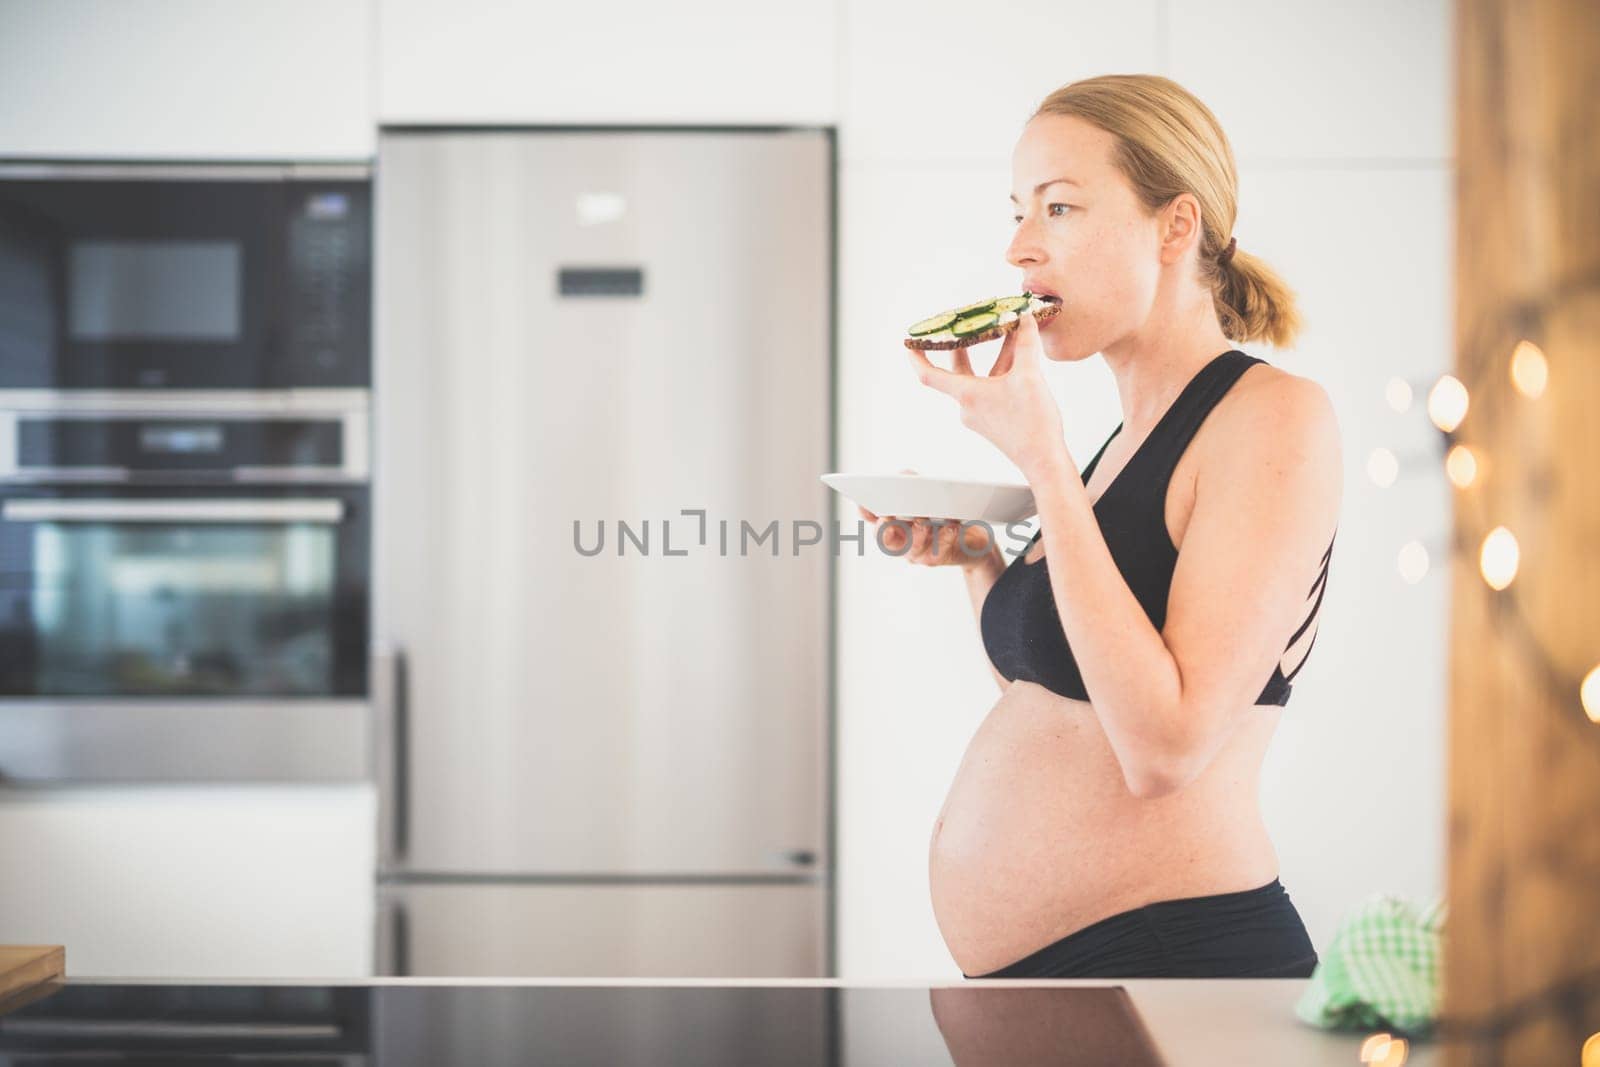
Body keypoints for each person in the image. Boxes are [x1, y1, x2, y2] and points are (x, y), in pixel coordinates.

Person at [860, 74, 1342, 979]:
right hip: (1065, 986)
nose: (1018, 248)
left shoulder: (1273, 418)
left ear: (1175, 226)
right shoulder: (1117, 447)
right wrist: (976, 556)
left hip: (1179, 963)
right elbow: (1062, 699)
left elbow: (1162, 747)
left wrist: (1043, 465)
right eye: (1018, 211)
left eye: (1060, 208)